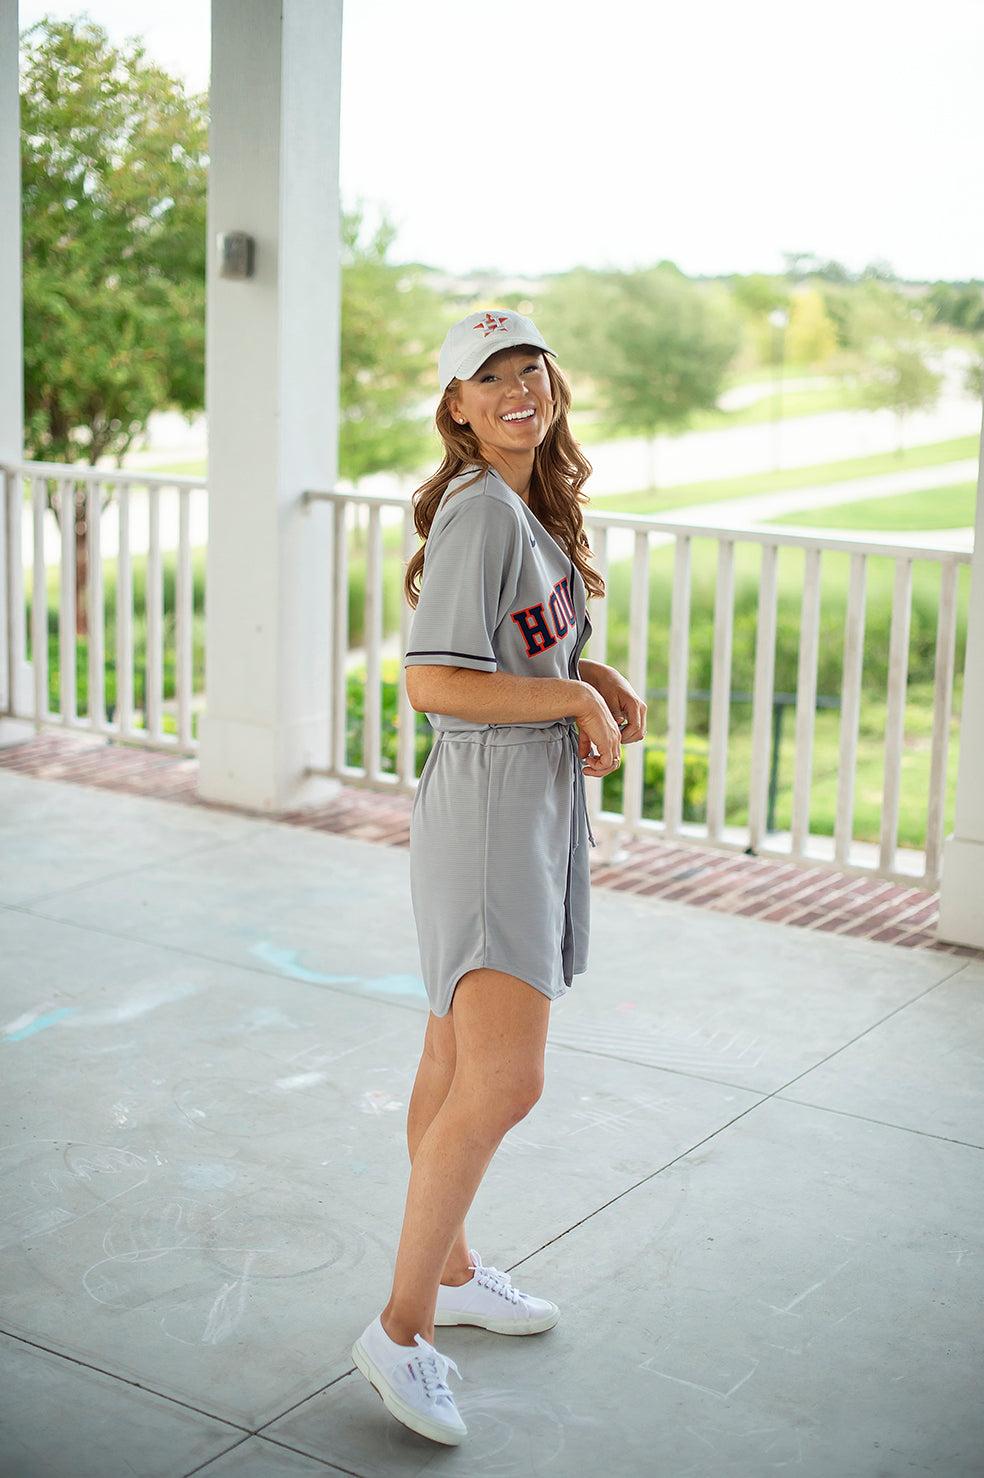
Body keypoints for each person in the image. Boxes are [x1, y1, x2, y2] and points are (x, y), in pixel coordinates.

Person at [352, 309, 646, 1446]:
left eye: (533, 368)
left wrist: (585, 667)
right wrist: (571, 699)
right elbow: (431, 680)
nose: (522, 388)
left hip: (507, 809)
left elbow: (507, 648)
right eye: (494, 377)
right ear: (458, 407)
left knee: (450, 1058)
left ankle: (456, 1269)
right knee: (505, 1081)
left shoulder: (521, 505)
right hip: (488, 817)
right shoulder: (480, 511)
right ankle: (400, 1326)